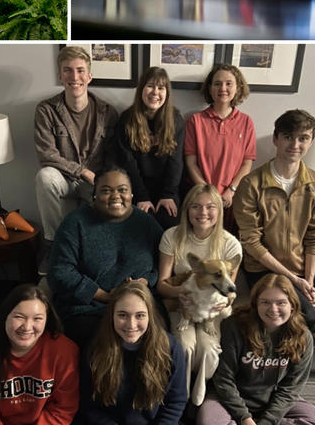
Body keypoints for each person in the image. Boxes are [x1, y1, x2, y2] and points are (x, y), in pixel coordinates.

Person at [234, 109, 315, 375]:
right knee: (307, 314)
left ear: (310, 141)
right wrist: (295, 280)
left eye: (303, 138)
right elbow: (252, 243)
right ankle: (283, 372)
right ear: (276, 139)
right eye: (289, 137)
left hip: (304, 268)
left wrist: (309, 279)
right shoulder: (251, 183)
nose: (295, 145)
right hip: (265, 268)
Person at [47, 169, 162, 349]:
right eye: (106, 190)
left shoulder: (146, 223)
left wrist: (146, 282)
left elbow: (162, 263)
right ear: (94, 195)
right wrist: (106, 296)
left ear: (131, 194)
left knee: (159, 338)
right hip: (90, 309)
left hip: (140, 308)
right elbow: (59, 272)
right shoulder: (75, 223)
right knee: (102, 344)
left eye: (122, 190)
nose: (115, 196)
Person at [199, 275, 315, 425]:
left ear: (293, 305)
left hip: (273, 399)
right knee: (209, 421)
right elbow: (224, 379)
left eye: (281, 303)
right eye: (265, 302)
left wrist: (268, 421)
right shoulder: (233, 326)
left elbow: (291, 388)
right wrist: (245, 418)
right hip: (228, 398)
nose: (273, 309)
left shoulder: (303, 336)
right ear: (255, 304)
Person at [35, 45, 119, 270]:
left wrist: (101, 181)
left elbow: (114, 155)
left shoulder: (107, 112)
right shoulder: (46, 110)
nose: (75, 77)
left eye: (80, 70)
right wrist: (81, 171)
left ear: (90, 75)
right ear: (60, 75)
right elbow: (46, 154)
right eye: (68, 70)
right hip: (62, 178)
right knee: (44, 177)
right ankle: (53, 244)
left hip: (96, 181)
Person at [157, 184, 242, 405]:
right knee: (184, 346)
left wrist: (224, 303)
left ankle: (199, 394)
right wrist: (181, 292)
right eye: (196, 206)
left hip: (212, 312)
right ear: (187, 209)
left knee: (208, 350)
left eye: (210, 207)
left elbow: (230, 291)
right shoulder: (172, 236)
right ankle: (180, 399)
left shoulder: (230, 244)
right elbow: (162, 284)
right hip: (181, 304)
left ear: (219, 211)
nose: (203, 213)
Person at [0, 283, 79, 425]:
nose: (27, 327)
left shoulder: (64, 351)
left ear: (46, 320)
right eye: (19, 317)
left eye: (37, 318)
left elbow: (63, 408)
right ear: (5, 316)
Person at [76, 282, 187, 425]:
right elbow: (89, 404)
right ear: (112, 315)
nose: (131, 325)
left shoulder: (170, 348)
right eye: (123, 315)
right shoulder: (95, 348)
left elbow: (175, 401)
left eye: (140, 315)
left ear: (150, 316)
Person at [184, 63, 255, 227]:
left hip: (231, 199)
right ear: (210, 88)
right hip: (200, 199)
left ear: (238, 87)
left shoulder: (246, 122)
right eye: (217, 83)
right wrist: (207, 195)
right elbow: (191, 163)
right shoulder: (196, 121)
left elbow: (247, 163)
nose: (223, 88)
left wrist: (231, 191)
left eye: (228, 83)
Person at [114, 66, 185, 231]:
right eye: (150, 86)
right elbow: (128, 163)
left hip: (167, 189)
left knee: (169, 224)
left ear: (167, 93)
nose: (155, 92)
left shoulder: (176, 120)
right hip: (135, 188)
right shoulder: (126, 120)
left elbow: (176, 162)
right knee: (138, 226)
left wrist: (168, 194)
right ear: (141, 90)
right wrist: (141, 196)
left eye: (161, 88)